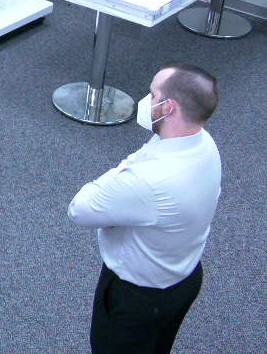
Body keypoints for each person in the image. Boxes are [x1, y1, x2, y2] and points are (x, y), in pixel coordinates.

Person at [68, 64, 222, 354]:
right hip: (184, 279)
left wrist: (124, 170)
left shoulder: (148, 181)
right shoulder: (204, 143)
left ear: (169, 108)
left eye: (152, 95)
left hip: (138, 298)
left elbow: (80, 208)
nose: (145, 102)